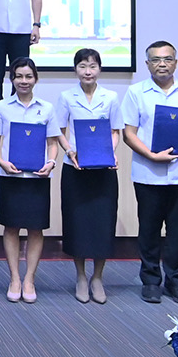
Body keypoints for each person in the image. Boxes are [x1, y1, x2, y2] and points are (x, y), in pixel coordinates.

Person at [121, 41, 178, 305]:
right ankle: (150, 281)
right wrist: (151, 155)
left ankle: (175, 281)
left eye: (168, 59)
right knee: (148, 230)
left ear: (176, 63)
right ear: (147, 64)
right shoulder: (136, 92)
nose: (162, 64)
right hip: (148, 174)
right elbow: (128, 133)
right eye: (156, 60)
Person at [0, 58, 61, 303]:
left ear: (36, 79)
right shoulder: (1, 107)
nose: (24, 81)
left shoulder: (47, 108)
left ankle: (29, 279)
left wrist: (51, 162)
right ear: (12, 79)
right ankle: (15, 279)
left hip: (38, 177)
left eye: (28, 76)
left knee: (36, 228)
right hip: (11, 175)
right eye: (19, 76)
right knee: (11, 226)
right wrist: (2, 162)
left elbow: (53, 143)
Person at [54, 48, 121, 304]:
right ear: (75, 70)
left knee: (103, 223)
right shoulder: (66, 97)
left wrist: (109, 153)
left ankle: (98, 277)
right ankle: (81, 276)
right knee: (77, 223)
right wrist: (69, 151)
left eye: (92, 66)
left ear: (100, 69)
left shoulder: (111, 97)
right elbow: (59, 130)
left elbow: (115, 131)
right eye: (82, 66)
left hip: (103, 170)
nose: (88, 71)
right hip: (75, 168)